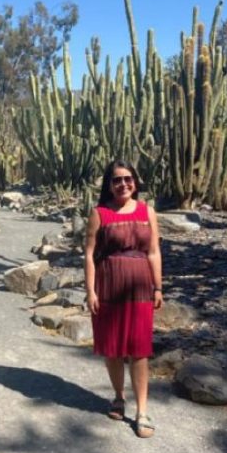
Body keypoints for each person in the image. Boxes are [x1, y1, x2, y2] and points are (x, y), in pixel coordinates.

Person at [84, 160, 163, 438]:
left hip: (140, 287)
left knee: (139, 350)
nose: (123, 184)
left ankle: (142, 411)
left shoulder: (147, 212)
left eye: (128, 178)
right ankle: (119, 397)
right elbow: (90, 255)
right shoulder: (100, 213)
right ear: (109, 184)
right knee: (113, 347)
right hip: (108, 286)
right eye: (116, 180)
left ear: (136, 181)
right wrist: (91, 291)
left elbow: (153, 252)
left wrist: (158, 288)